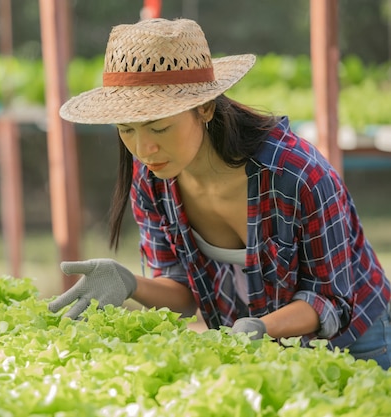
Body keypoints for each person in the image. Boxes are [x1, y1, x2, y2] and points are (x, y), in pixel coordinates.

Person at [47, 18, 391, 370]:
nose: (143, 148)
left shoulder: (296, 173)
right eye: (126, 130)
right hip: (257, 348)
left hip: (357, 341)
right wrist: (129, 282)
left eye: (160, 127)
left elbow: (331, 300)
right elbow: (182, 297)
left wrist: (261, 327)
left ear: (206, 107)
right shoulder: (151, 179)